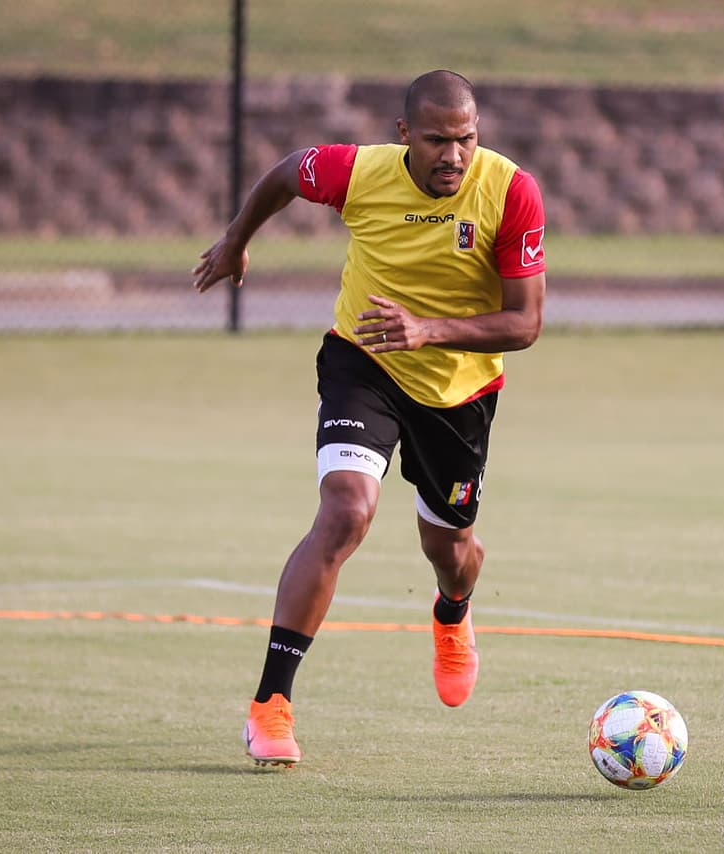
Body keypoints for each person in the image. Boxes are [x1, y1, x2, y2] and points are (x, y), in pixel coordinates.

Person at [192, 70, 547, 766]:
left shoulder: (510, 191)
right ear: (404, 135)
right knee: (346, 512)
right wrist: (236, 238)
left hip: (459, 393)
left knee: (451, 554)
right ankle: (271, 705)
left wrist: (427, 329)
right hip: (365, 361)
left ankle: (452, 614)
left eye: (466, 139)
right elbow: (287, 174)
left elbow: (526, 323)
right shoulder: (358, 172)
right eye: (439, 140)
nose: (454, 155)